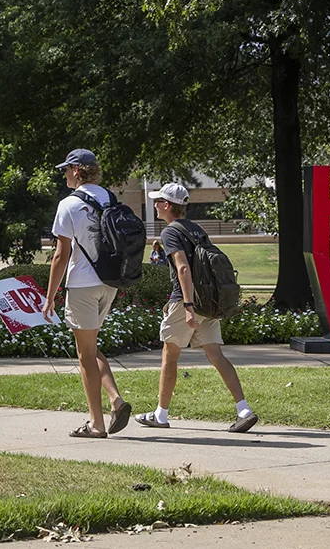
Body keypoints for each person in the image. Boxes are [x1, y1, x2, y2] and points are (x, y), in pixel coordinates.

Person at [137, 183, 255, 433]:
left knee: (170, 356)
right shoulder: (196, 229)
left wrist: (188, 305)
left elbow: (182, 268)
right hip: (208, 302)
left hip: (186, 301)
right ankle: (244, 410)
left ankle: (161, 414)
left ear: (167, 205)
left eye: (158, 201)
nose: (156, 205)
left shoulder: (170, 232)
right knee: (216, 356)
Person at [41, 148, 132, 438]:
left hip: (82, 283)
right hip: (110, 282)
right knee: (90, 347)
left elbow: (61, 255)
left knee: (84, 354)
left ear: (77, 170)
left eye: (67, 169)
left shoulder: (67, 205)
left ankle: (96, 424)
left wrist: (49, 296)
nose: (64, 174)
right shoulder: (110, 198)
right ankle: (115, 400)